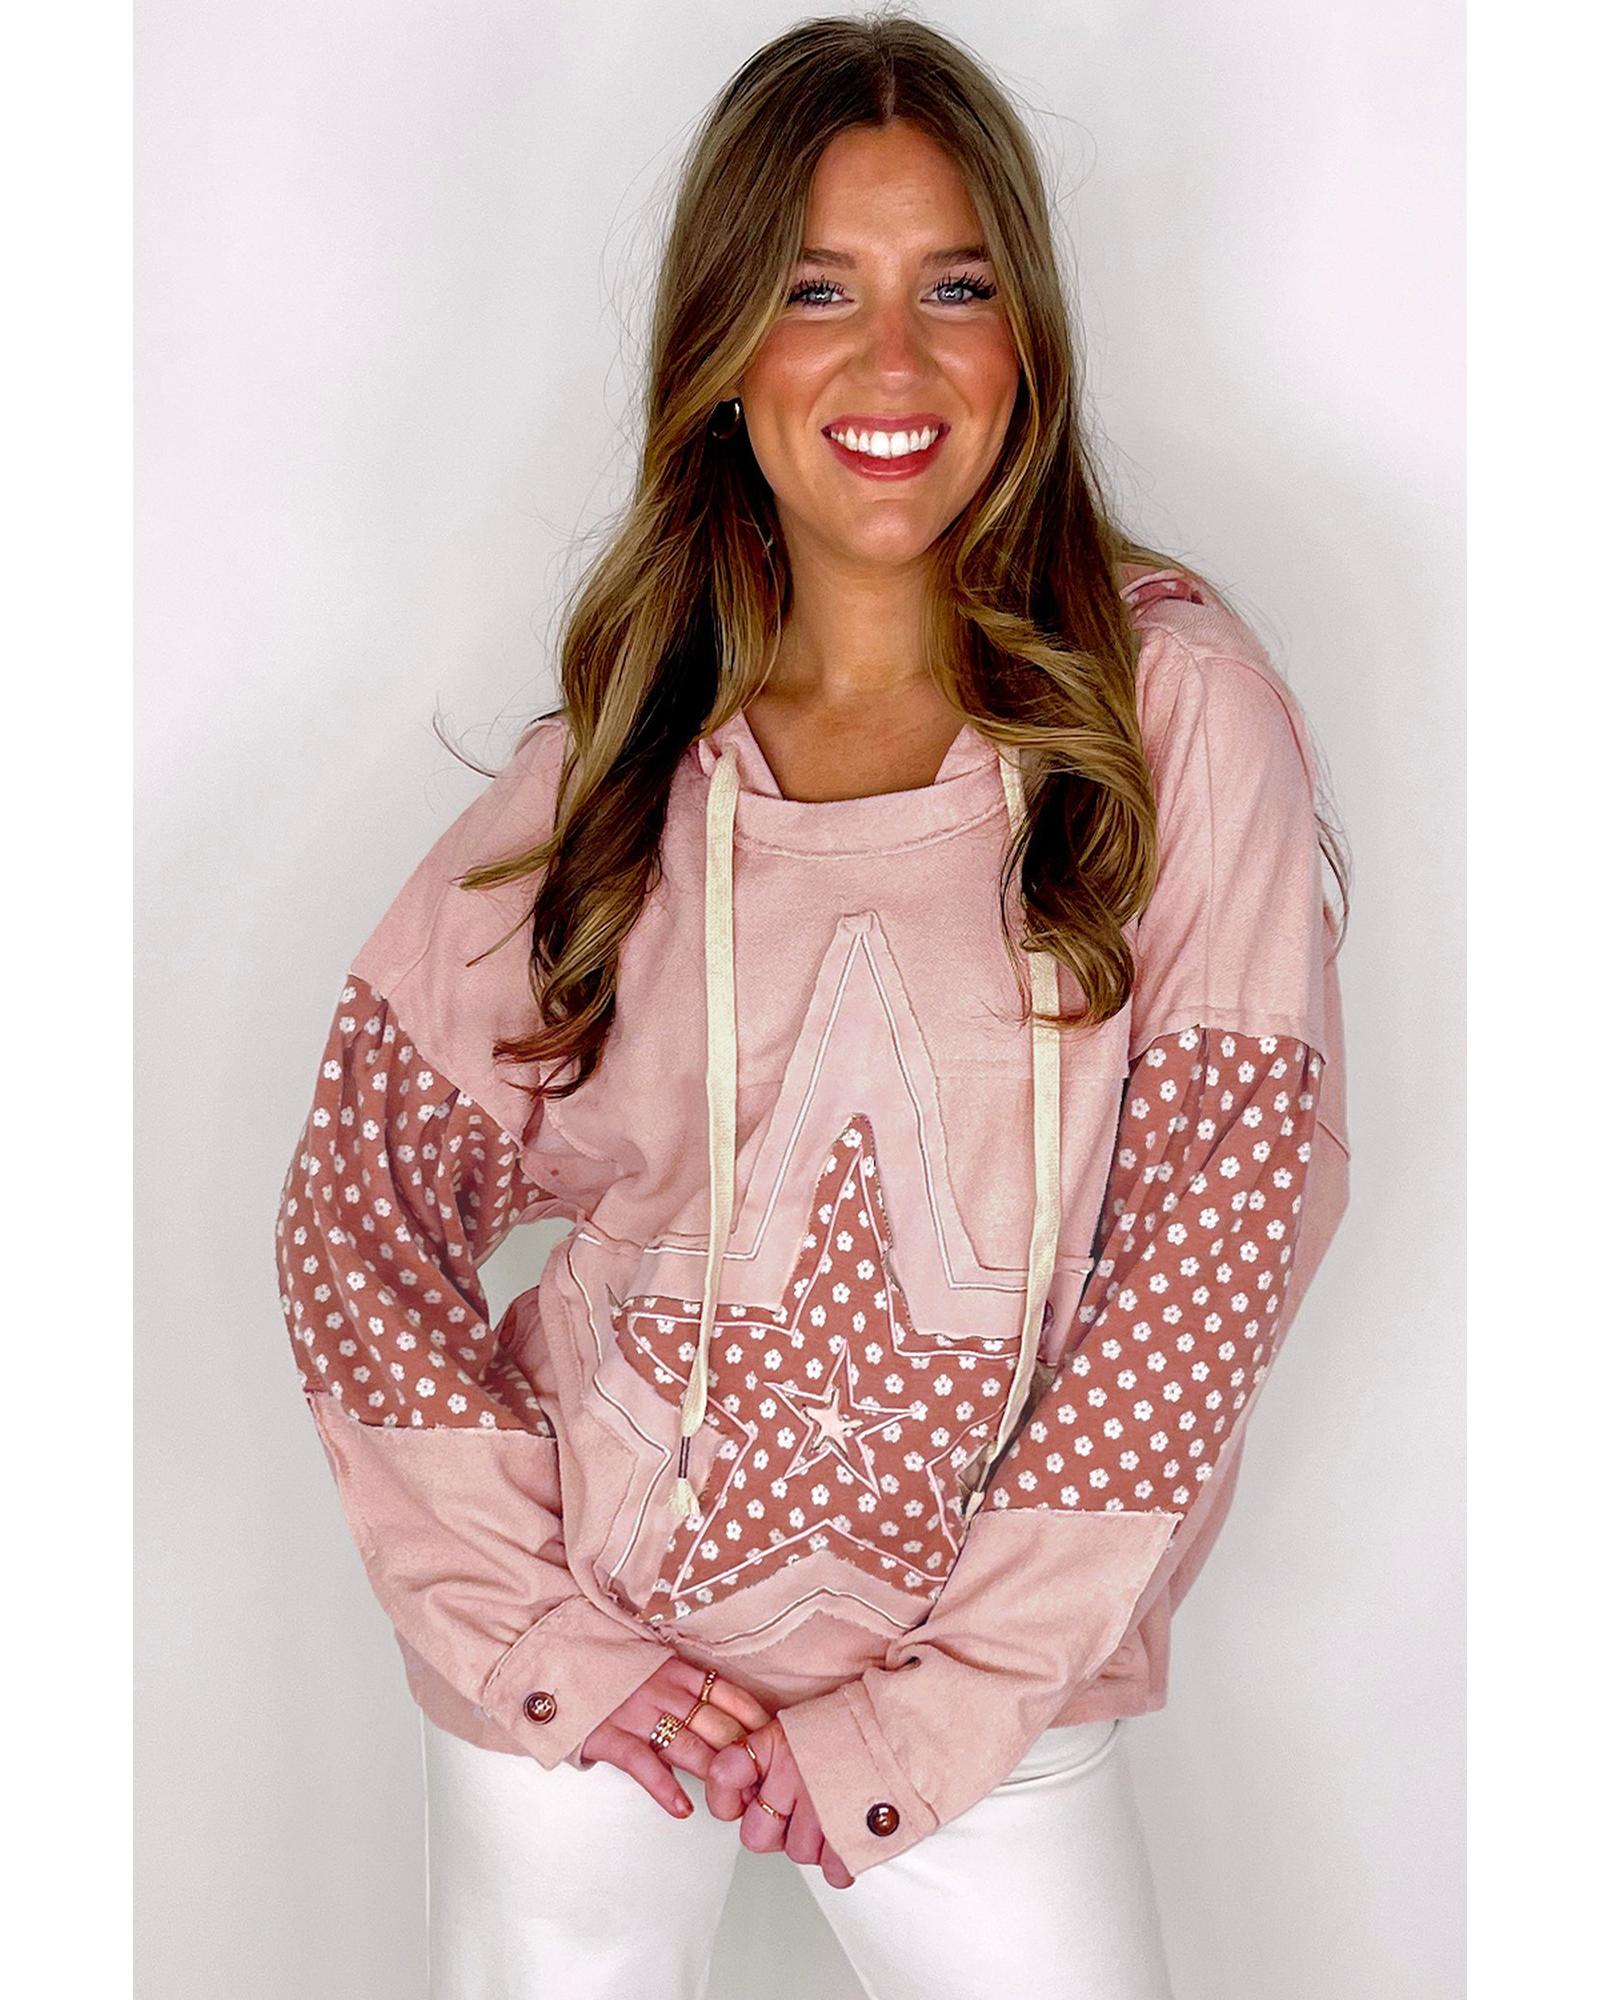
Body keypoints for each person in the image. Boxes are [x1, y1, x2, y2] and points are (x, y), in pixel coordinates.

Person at [273, 14, 1351, 1998]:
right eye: (815, 289)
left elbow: (1218, 1234)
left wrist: (942, 1711)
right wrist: (541, 1640)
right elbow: (356, 1206)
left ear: (1027, 334)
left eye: (956, 286)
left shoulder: (1164, 711)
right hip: (602, 1692)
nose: (892, 363)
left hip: (985, 1708)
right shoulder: (615, 770)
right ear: (722, 346)